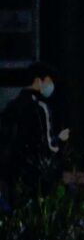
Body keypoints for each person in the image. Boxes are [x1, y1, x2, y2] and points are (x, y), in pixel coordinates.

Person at [0, 63, 64, 205]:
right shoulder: (40, 108)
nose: (51, 86)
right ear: (38, 81)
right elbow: (47, 146)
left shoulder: (11, 107)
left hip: (12, 174)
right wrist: (59, 141)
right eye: (48, 81)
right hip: (34, 177)